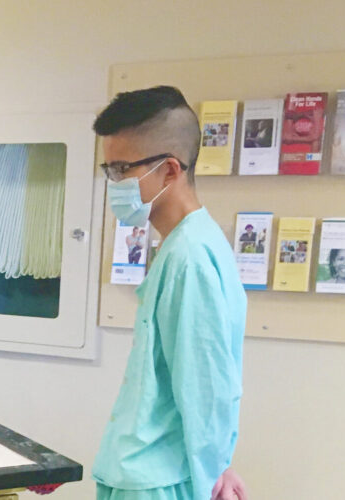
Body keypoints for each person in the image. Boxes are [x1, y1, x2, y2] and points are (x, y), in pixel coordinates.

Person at [92, 86, 249, 500]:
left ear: (170, 170)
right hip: (141, 469)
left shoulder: (190, 258)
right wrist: (221, 465)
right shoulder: (184, 244)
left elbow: (205, 383)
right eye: (109, 169)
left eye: (121, 169)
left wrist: (213, 472)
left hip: (158, 479)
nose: (114, 183)